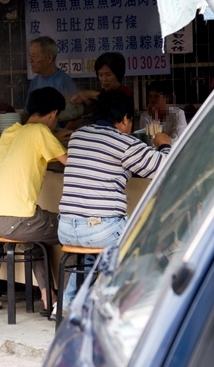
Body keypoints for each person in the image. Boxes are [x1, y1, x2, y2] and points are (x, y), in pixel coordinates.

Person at [57, 90, 172, 315]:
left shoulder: (79, 135)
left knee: (90, 252)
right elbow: (164, 167)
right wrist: (163, 144)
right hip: (100, 230)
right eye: (129, 120)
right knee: (147, 236)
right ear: (124, 119)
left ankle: (68, 303)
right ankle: (140, 307)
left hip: (67, 229)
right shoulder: (125, 143)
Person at [0, 87, 68, 315]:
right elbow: (69, 162)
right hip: (17, 220)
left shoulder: (11, 132)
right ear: (53, 114)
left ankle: (47, 296)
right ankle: (67, 302)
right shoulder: (41, 131)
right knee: (73, 229)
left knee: (37, 232)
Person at [26, 36, 82, 125]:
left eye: (35, 56)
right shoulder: (34, 82)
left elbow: (76, 117)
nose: (31, 60)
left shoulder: (63, 81)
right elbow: (28, 113)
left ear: (49, 58)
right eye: (30, 56)